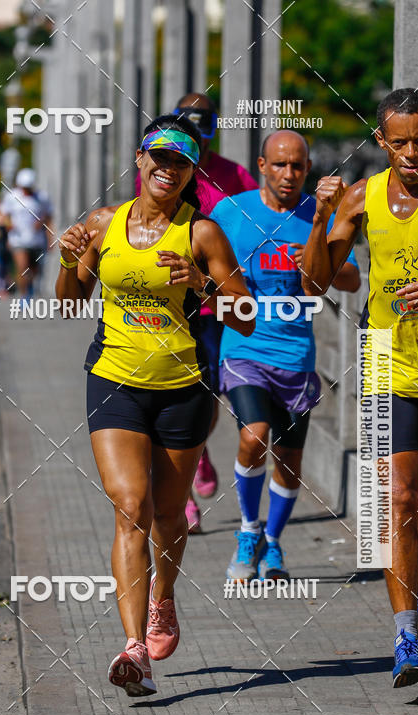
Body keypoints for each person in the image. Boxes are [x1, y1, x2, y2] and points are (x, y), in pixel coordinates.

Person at [56, 114, 253, 697]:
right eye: (159, 157)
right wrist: (71, 260)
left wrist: (203, 282)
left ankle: (164, 597)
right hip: (113, 378)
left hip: (183, 387)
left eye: (181, 162)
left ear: (193, 171)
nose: (168, 169)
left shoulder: (203, 234)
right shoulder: (103, 223)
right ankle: (134, 649)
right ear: (140, 160)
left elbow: (244, 313)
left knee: (170, 515)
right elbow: (69, 304)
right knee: (130, 507)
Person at [301, 88, 418, 688]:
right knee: (397, 497)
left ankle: (408, 567)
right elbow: (316, 282)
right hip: (382, 361)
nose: (412, 153)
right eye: (399, 143)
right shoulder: (359, 198)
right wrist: (320, 219)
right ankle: (406, 636)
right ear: (381, 142)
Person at [210, 130, 360, 582]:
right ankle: (247, 529)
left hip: (297, 356)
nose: (289, 174)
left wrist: (315, 259)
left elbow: (350, 279)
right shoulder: (231, 212)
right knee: (254, 437)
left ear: (308, 169)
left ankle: (273, 543)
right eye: (279, 164)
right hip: (244, 347)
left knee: (289, 462)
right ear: (261, 165)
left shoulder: (319, 214)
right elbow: (202, 265)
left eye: (297, 166)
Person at [136, 93, 259, 533]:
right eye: (190, 123)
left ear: (214, 128)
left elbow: (254, 223)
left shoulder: (233, 174)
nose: (198, 133)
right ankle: (182, 496)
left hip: (213, 297)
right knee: (169, 394)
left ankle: (199, 449)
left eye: (205, 124)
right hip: (169, 300)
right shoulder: (160, 169)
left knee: (209, 398)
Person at [0, 168, 52, 298]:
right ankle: (24, 295)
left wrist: (47, 233)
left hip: (36, 240)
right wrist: (9, 226)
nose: (26, 189)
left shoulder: (42, 197)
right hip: (17, 239)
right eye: (24, 187)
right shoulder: (12, 196)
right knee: (22, 267)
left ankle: (30, 287)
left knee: (34, 270)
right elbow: (5, 215)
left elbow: (49, 216)